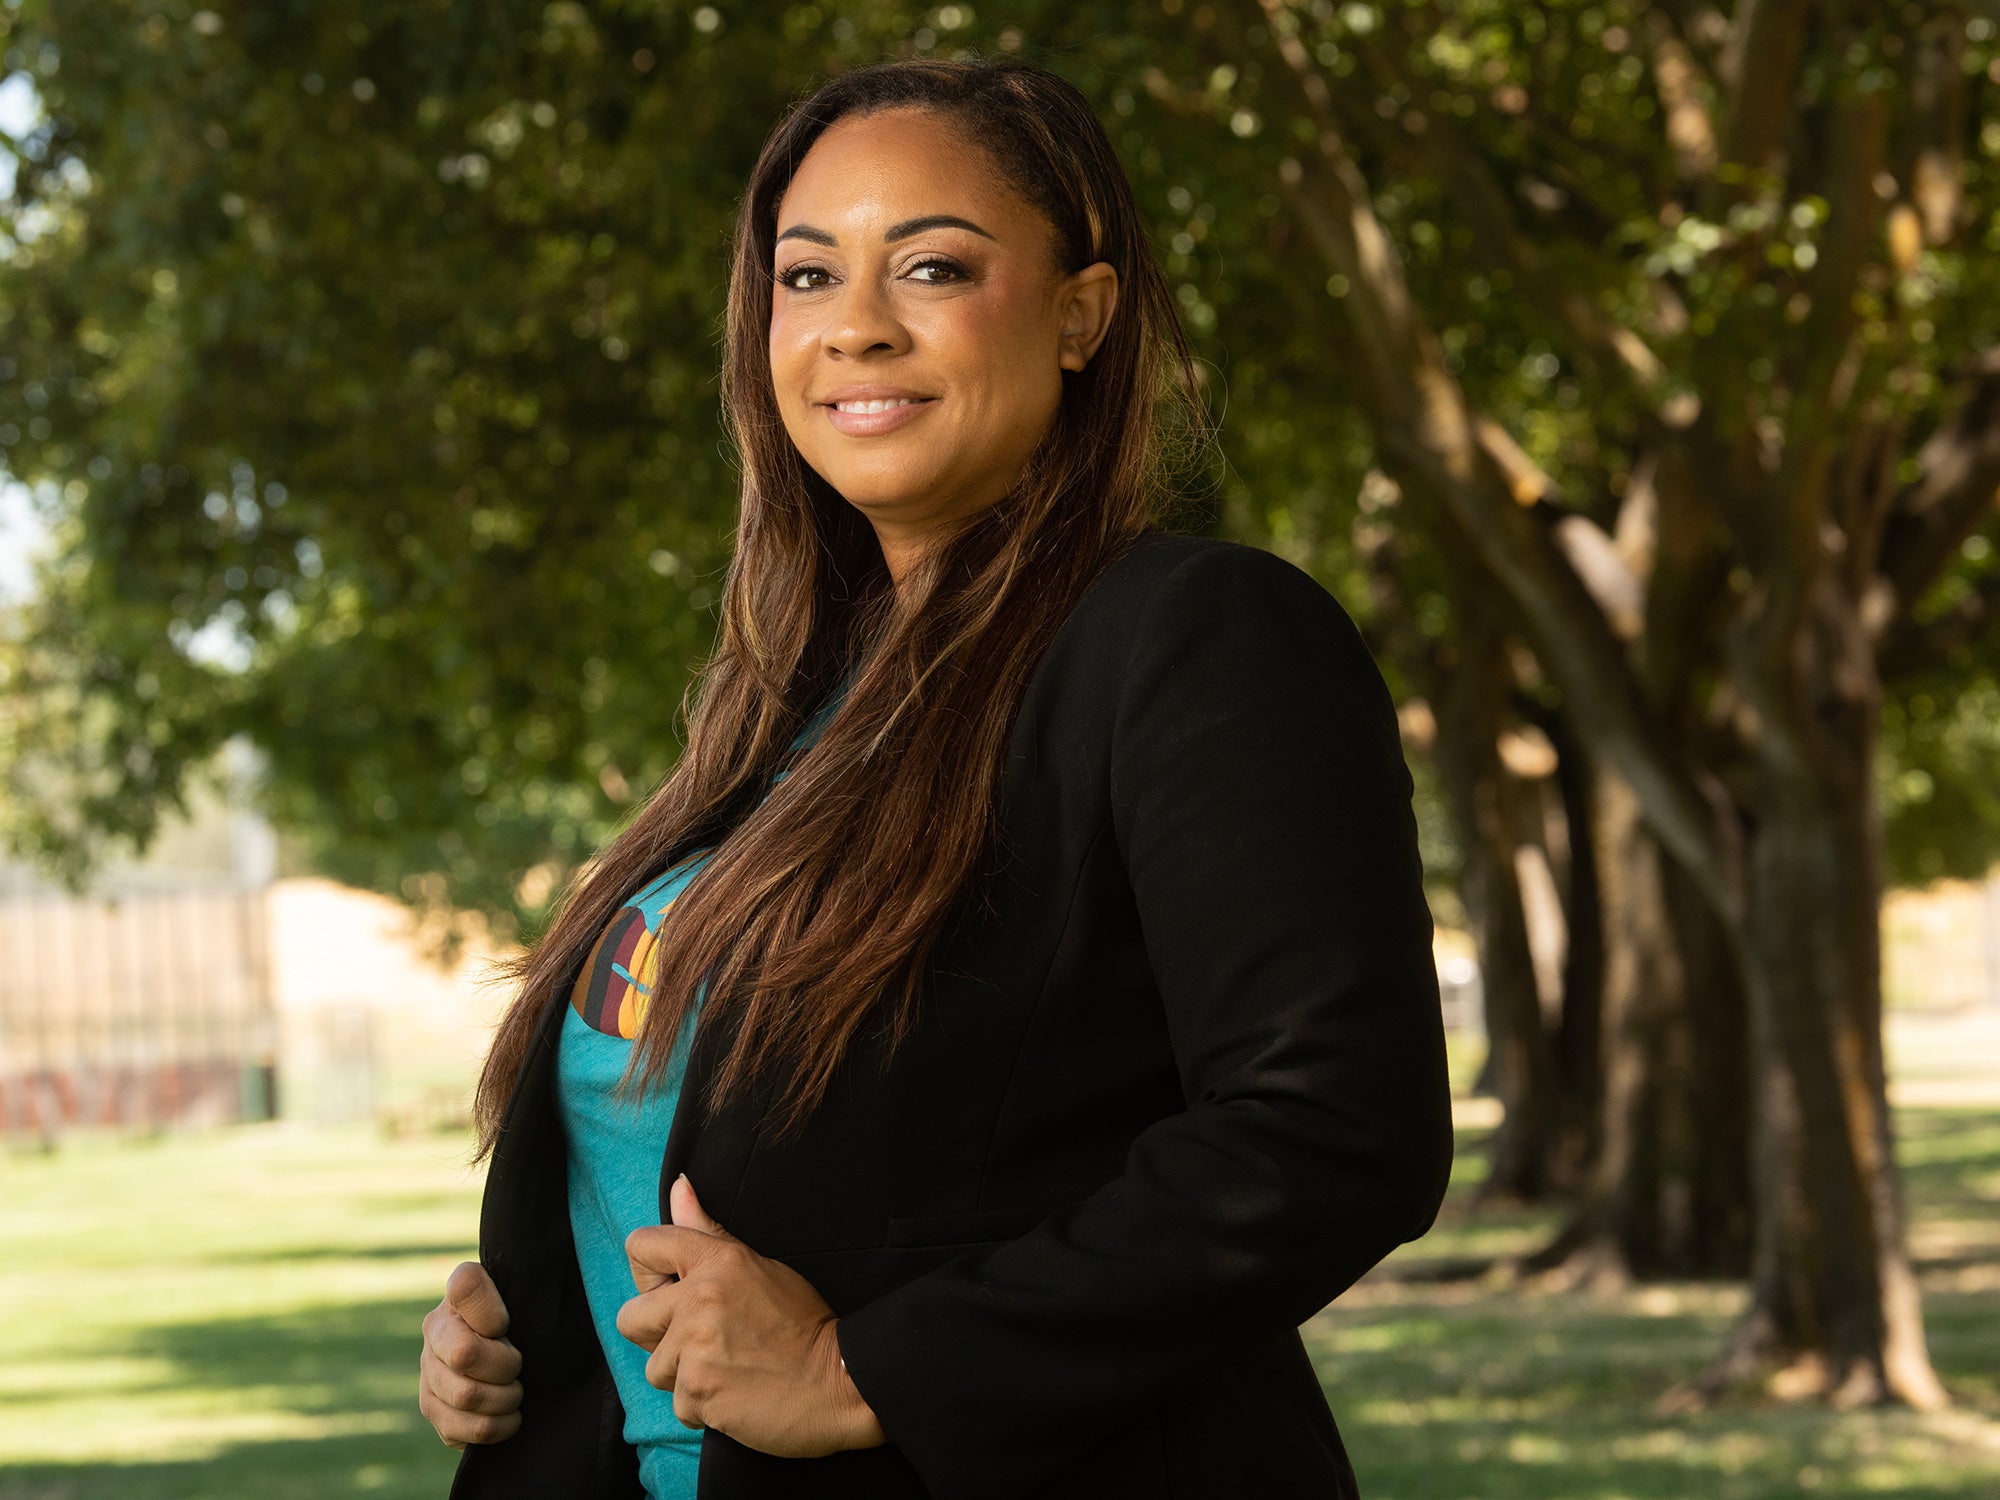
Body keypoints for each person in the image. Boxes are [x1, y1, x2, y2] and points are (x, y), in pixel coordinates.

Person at [419, 54, 1453, 1500]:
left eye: (933, 266)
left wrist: (862, 1372)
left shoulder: (1194, 638)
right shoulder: (781, 714)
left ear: (1083, 315)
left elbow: (1331, 1133)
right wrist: (536, 1329)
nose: (856, 326)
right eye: (807, 277)